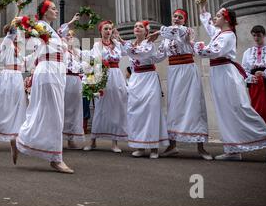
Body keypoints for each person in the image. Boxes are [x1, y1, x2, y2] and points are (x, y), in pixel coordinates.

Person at [194, 4, 266, 163]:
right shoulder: (219, 33)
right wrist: (203, 9)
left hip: (226, 74)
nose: (215, 18)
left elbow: (213, 51)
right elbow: (209, 25)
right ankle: (232, 150)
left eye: (218, 15)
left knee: (240, 108)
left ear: (226, 19)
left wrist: (194, 44)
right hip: (218, 73)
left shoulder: (228, 35)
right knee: (225, 112)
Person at [11, 0, 75, 174]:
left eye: (55, 8)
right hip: (48, 71)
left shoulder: (50, 29)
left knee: (47, 112)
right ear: (45, 11)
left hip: (56, 72)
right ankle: (56, 159)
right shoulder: (40, 26)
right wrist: (22, 21)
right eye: (53, 8)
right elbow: (27, 35)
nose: (56, 11)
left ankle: (20, 140)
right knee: (54, 114)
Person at [151, 9, 212, 160]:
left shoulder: (186, 31)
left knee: (194, 105)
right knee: (174, 106)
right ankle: (172, 146)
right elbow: (157, 57)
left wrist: (158, 31)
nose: (177, 19)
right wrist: (143, 49)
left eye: (180, 17)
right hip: (173, 72)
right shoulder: (166, 38)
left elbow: (175, 33)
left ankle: (201, 147)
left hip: (188, 70)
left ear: (184, 20)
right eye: (175, 16)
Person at [121, 21, 169, 159]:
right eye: (135, 26)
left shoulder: (149, 45)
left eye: (140, 26)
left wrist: (119, 39)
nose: (137, 28)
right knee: (135, 111)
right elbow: (122, 51)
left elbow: (137, 54)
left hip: (148, 78)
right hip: (136, 79)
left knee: (151, 110)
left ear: (146, 32)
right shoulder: (130, 44)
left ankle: (154, 147)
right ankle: (140, 146)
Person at [83, 21, 128, 153]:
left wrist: (119, 38)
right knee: (100, 107)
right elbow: (95, 60)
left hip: (116, 76)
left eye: (110, 29)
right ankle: (93, 141)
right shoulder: (97, 45)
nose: (108, 31)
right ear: (100, 31)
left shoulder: (117, 44)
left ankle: (115, 142)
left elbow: (129, 50)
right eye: (105, 29)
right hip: (103, 74)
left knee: (116, 107)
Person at [0, 24, 27, 151]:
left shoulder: (19, 48)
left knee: (19, 107)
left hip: (18, 76)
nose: (18, 35)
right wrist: (18, 16)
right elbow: (12, 30)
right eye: (16, 33)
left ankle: (16, 137)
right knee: (3, 106)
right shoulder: (6, 42)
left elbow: (24, 62)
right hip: (8, 76)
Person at [242, 25, 266, 131]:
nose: (256, 38)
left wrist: (265, 73)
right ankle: (260, 136)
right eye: (254, 35)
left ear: (264, 35)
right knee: (257, 109)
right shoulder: (247, 53)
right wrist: (251, 78)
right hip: (255, 85)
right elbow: (244, 71)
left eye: (259, 35)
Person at [62, 26, 87, 150]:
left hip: (76, 80)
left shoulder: (77, 52)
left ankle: (71, 139)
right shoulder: (61, 50)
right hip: (64, 79)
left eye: (71, 36)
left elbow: (88, 61)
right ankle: (60, 138)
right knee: (63, 108)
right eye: (67, 36)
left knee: (75, 109)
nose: (70, 38)